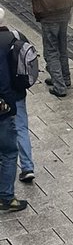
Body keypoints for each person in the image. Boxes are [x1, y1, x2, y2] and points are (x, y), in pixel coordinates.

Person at [0, 9, 33, 184]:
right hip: (18, 91)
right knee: (21, 128)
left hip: (2, 96)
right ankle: (27, 167)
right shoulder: (16, 36)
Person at [0, 16, 26, 213]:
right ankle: (6, 197)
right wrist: (11, 105)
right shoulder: (9, 39)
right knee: (9, 152)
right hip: (2, 111)